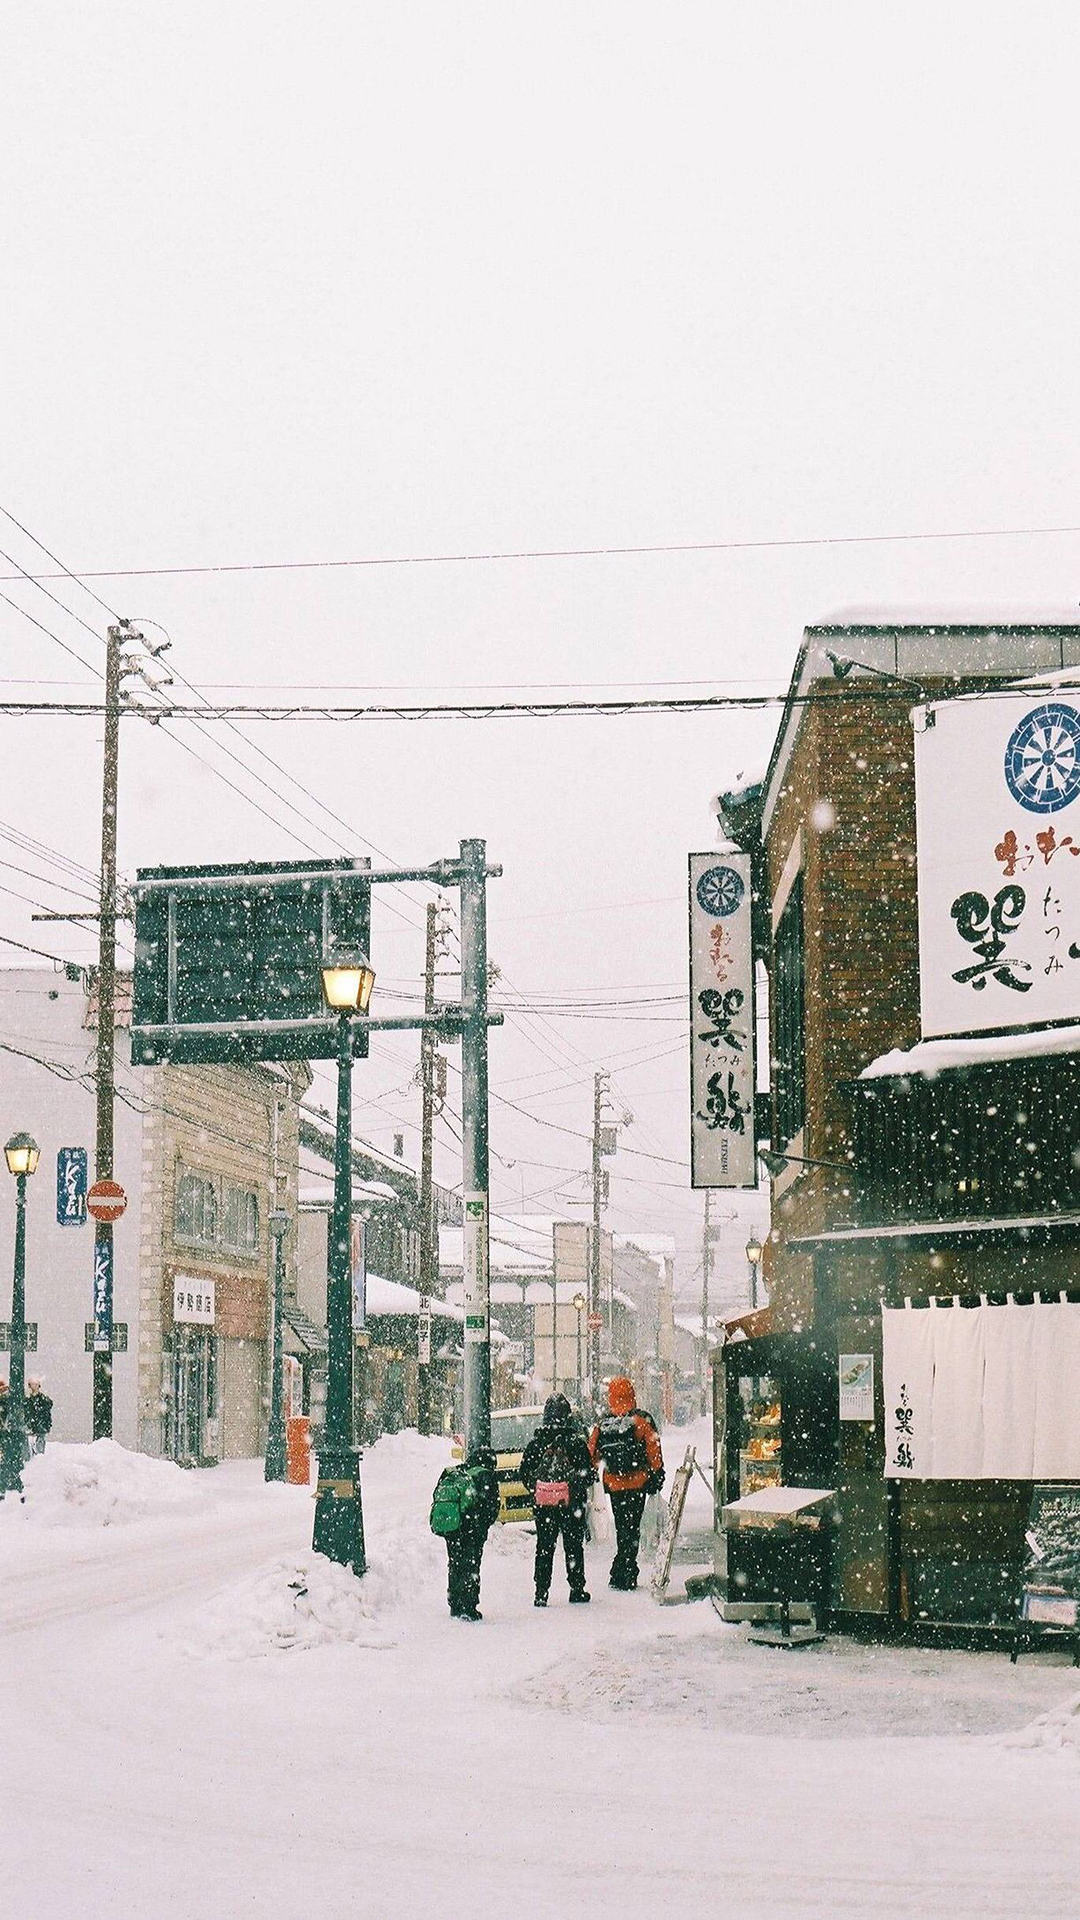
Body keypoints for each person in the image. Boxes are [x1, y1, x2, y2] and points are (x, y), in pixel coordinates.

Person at [589, 1376, 664, 1590]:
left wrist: (594, 1472)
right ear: (632, 1393)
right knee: (632, 1528)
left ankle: (622, 1569)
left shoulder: (603, 1423)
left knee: (622, 1526)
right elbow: (653, 1449)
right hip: (638, 1483)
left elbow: (591, 1452)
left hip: (614, 1485)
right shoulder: (641, 1420)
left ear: (611, 1395)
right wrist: (656, 1473)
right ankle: (627, 1569)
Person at [519, 1393, 593, 1607]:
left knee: (544, 1546)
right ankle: (576, 1588)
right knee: (573, 1546)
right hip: (572, 1504)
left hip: (544, 1506)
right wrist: (573, 1486)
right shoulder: (575, 1442)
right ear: (567, 1416)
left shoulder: (536, 1443)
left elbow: (524, 1472)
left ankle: (541, 1592)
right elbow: (587, 1474)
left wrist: (539, 1488)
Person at [429, 1446, 500, 1621]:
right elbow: (492, 1506)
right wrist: (483, 1524)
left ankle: (454, 1604)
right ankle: (469, 1607)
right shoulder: (486, 1475)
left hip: (453, 1527)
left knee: (455, 1563)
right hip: (472, 1528)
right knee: (471, 1565)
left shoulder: (455, 1472)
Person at [25, 1379, 53, 1455]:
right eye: (31, 1385)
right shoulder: (27, 1399)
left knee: (39, 1450)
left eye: (36, 1385)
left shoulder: (43, 1400)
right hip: (31, 1428)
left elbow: (46, 1413)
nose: (33, 1387)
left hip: (39, 1428)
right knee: (28, 1451)